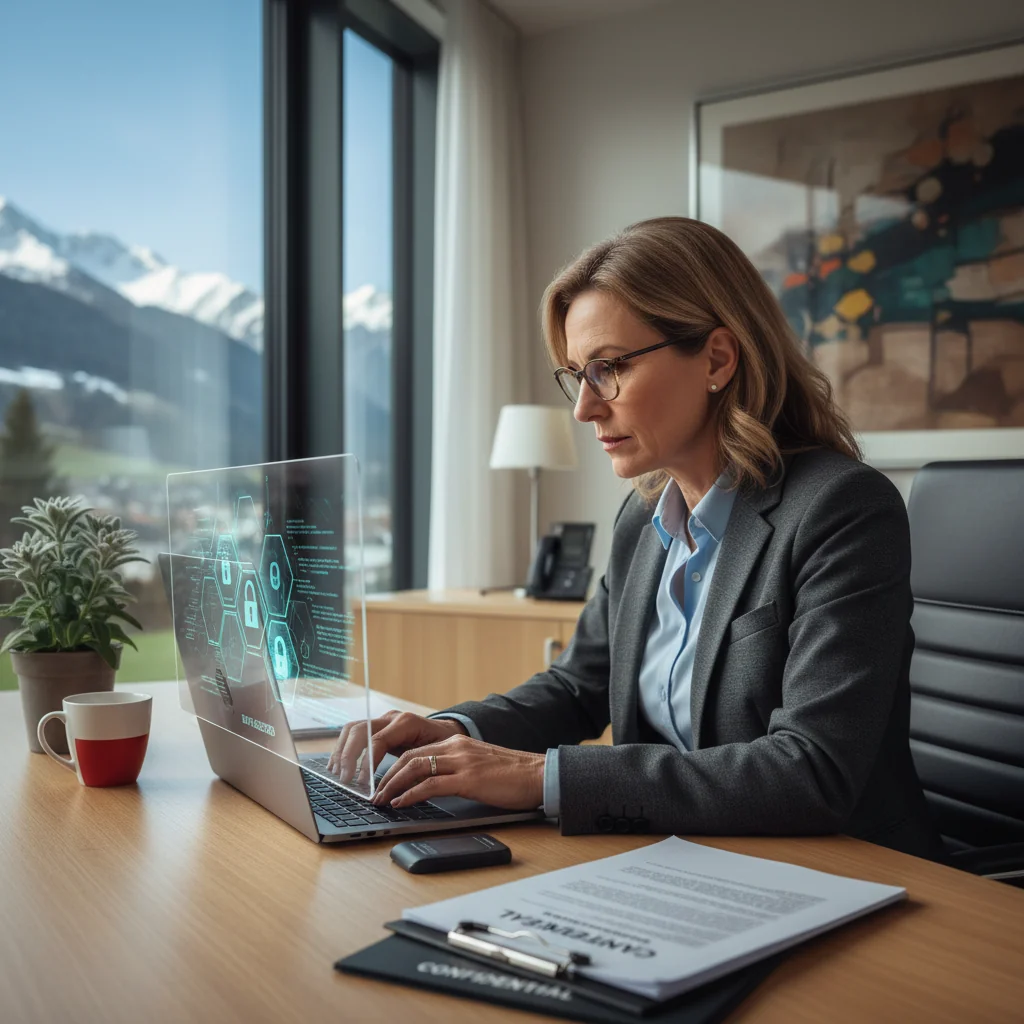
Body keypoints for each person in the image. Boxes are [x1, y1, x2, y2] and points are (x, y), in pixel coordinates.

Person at [327, 216, 945, 861]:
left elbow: (811, 769)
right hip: (680, 856)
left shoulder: (841, 509)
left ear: (717, 358)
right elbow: (579, 686)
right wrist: (455, 729)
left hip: (844, 869)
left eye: (609, 368)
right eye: (576, 375)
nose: (585, 408)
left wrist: (539, 778)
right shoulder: (642, 516)